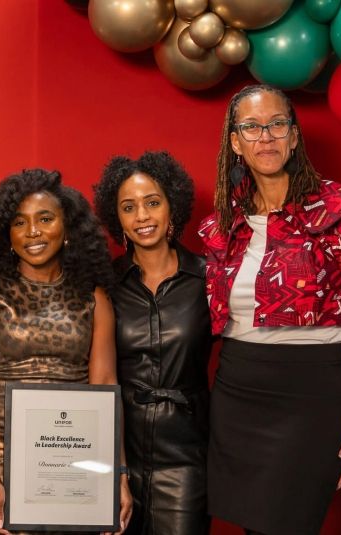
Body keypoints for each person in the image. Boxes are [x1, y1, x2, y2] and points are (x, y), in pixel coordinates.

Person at [196, 84, 341, 535]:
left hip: (312, 397)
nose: (265, 136)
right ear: (235, 142)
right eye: (251, 127)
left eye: (277, 124)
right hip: (237, 393)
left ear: (294, 137)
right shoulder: (220, 226)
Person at [0, 169, 133, 534]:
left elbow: (105, 385)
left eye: (45, 219)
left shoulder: (94, 298)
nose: (33, 232)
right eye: (19, 223)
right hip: (9, 457)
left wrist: (117, 474)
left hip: (81, 450)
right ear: (7, 235)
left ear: (67, 228)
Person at [93, 151, 212, 535]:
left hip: (187, 456)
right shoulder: (106, 286)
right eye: (129, 208)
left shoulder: (209, 279)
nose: (142, 216)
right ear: (119, 221)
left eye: (152, 203)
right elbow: (100, 379)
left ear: (172, 207)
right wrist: (115, 469)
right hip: (118, 452)